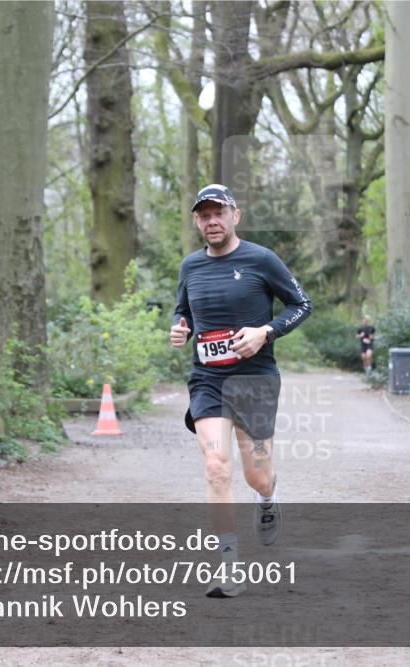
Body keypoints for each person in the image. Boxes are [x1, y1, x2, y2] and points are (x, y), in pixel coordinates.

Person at [169, 184, 312, 598]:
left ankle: (267, 498)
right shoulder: (190, 267)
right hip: (208, 380)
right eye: (204, 215)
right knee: (216, 465)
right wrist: (181, 328)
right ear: (197, 221)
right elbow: (184, 310)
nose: (212, 221)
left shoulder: (261, 259)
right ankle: (229, 567)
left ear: (236, 215)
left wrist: (265, 332)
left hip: (255, 380)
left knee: (257, 474)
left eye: (219, 213)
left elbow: (302, 305)